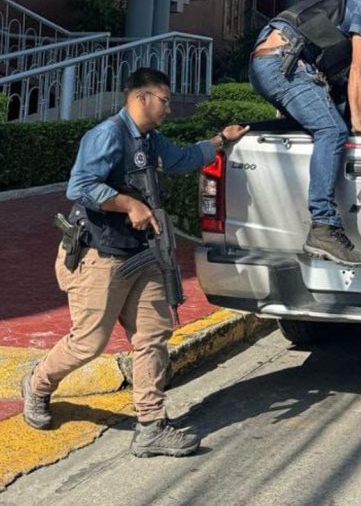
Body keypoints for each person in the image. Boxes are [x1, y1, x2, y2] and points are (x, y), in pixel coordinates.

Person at [20, 68, 248, 457]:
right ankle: (38, 384)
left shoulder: (152, 140)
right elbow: (80, 186)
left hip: (142, 254)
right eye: (164, 100)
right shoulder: (108, 135)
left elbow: (182, 159)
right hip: (100, 255)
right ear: (141, 98)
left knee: (153, 336)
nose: (169, 109)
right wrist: (129, 203)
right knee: (88, 343)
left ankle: (151, 424)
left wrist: (219, 141)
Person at [249, 0, 361, 266]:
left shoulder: (343, 0)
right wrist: (356, 121)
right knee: (331, 129)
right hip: (284, 66)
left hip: (272, 62)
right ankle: (323, 227)